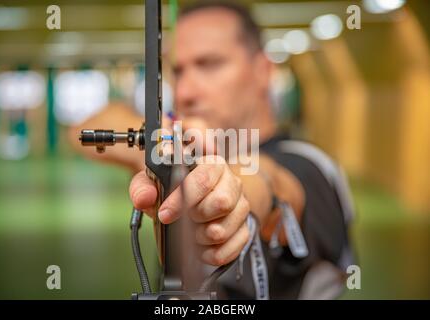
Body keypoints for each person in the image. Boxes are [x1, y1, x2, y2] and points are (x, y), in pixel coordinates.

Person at [69, 1, 355, 299]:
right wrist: (153, 136)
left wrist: (229, 194)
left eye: (209, 64)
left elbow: (270, 183)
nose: (185, 92)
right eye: (178, 71)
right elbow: (82, 129)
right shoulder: (175, 147)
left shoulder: (312, 166)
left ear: (263, 70)